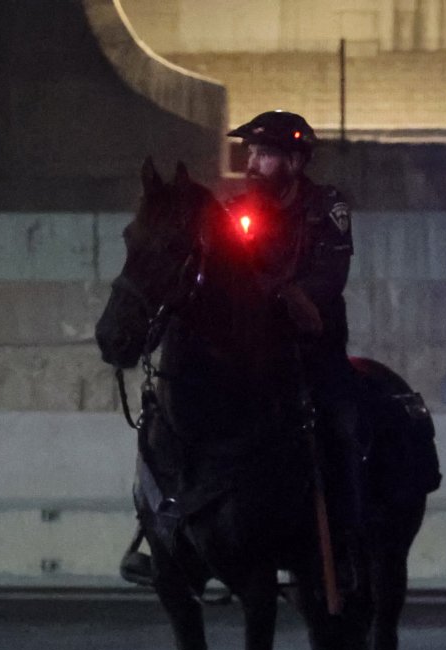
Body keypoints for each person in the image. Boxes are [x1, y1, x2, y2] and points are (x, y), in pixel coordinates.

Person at [120, 108, 363, 589]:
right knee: (172, 418)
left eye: (266, 154)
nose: (252, 164)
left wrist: (283, 293)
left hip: (311, 349)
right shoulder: (233, 212)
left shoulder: (326, 208)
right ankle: (158, 531)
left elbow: (327, 282)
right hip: (252, 354)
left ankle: (347, 542)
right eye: (250, 152)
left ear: (295, 162)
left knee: (346, 425)